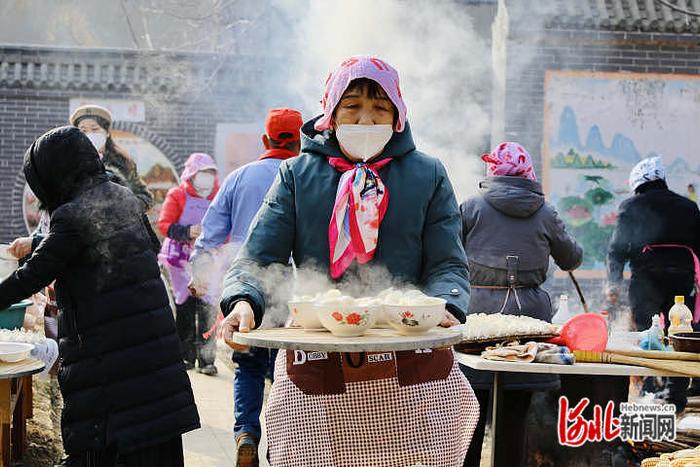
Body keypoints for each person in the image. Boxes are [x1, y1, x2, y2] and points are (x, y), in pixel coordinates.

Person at [219, 55, 479, 466]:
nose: (365, 119)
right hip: (318, 362)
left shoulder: (428, 174)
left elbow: (448, 263)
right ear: (331, 110)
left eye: (379, 107)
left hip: (411, 364)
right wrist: (243, 302)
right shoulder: (296, 175)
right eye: (352, 105)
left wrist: (443, 305)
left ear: (398, 112)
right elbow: (257, 257)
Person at [0, 126, 199, 466]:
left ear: (55, 173)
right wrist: (43, 244)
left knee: (108, 448)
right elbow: (131, 244)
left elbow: (30, 277)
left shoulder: (72, 214)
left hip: (112, 363)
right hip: (151, 359)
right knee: (152, 444)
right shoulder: (121, 196)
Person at [189, 107, 303, 466]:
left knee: (249, 363)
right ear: (302, 141)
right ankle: (284, 446)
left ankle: (245, 434)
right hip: (293, 281)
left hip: (244, 280)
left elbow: (210, 234)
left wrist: (200, 273)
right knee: (288, 367)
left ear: (265, 140)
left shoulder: (239, 178)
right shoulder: (308, 176)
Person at [459, 142, 583, 467]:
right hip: (530, 320)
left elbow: (447, 256)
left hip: (478, 320)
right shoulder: (546, 212)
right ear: (528, 171)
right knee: (515, 410)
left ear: (494, 171)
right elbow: (571, 258)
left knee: (471, 411)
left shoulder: (471, 207)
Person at [608, 156, 700, 411]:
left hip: (646, 279)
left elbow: (617, 250)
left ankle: (649, 387)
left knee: (648, 331)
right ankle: (675, 394)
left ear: (637, 183)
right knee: (680, 333)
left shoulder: (630, 206)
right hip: (682, 278)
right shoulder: (688, 207)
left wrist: (613, 283)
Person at [9, 104, 154, 259]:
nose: (89, 134)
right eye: (83, 130)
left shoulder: (123, 163)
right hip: (75, 243)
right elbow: (55, 208)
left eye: (94, 129)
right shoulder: (65, 164)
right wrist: (38, 238)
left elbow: (145, 197)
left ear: (107, 133)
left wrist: (122, 209)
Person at [157, 152, 220, 375]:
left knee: (208, 308)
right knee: (185, 307)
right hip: (180, 260)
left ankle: (207, 360)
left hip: (209, 260)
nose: (207, 178)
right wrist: (186, 231)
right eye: (202, 174)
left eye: (210, 173)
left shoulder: (219, 195)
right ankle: (185, 357)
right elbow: (164, 225)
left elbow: (227, 226)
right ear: (192, 175)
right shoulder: (178, 195)